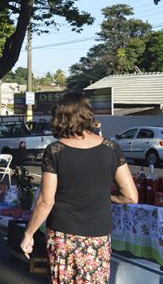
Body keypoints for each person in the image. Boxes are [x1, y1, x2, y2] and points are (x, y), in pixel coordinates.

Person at [20, 93, 138, 283]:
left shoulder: (55, 151)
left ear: (60, 118)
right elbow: (131, 196)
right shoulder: (112, 148)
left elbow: (46, 201)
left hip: (63, 234)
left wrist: (29, 234)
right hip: (98, 236)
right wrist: (109, 197)